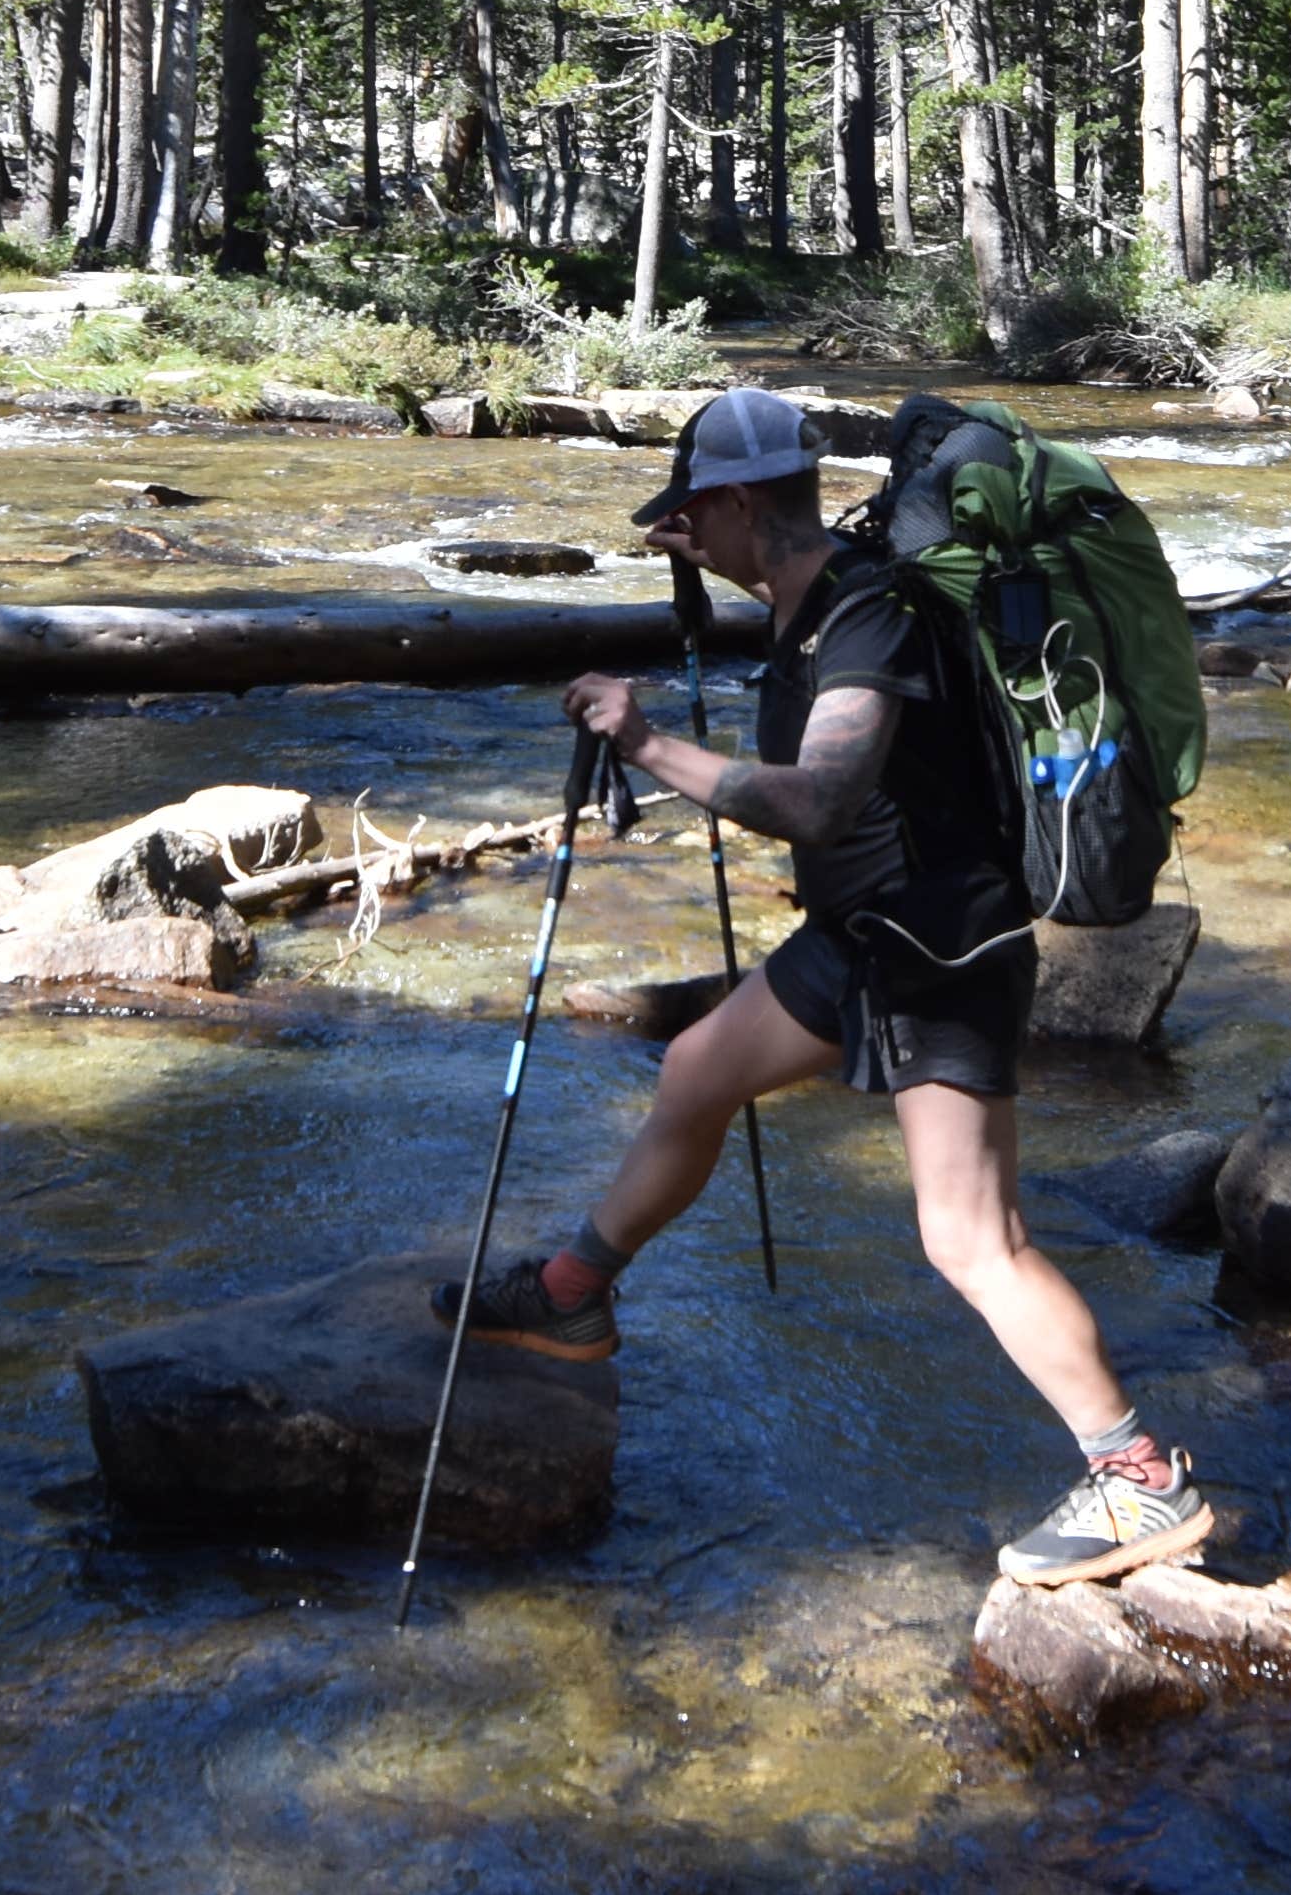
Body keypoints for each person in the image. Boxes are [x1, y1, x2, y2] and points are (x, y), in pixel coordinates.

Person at [432, 385, 1216, 1588]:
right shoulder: (809, 601)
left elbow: (819, 797)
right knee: (695, 1071)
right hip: (862, 935)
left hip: (940, 952)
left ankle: (1137, 1480)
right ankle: (572, 1295)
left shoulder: (868, 614)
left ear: (741, 499)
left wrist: (647, 743)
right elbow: (819, 734)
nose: (685, 531)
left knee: (972, 1239)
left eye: (698, 512)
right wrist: (718, 576)